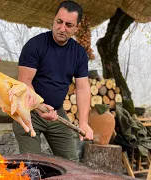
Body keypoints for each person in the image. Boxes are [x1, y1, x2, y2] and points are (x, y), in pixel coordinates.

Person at [13, 0, 93, 161]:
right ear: (54, 20)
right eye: (59, 22)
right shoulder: (34, 46)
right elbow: (24, 83)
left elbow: (83, 88)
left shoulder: (79, 54)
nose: (62, 28)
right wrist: (40, 107)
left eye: (69, 25)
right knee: (32, 165)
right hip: (29, 110)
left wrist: (84, 122)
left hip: (57, 113)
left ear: (76, 28)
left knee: (72, 164)